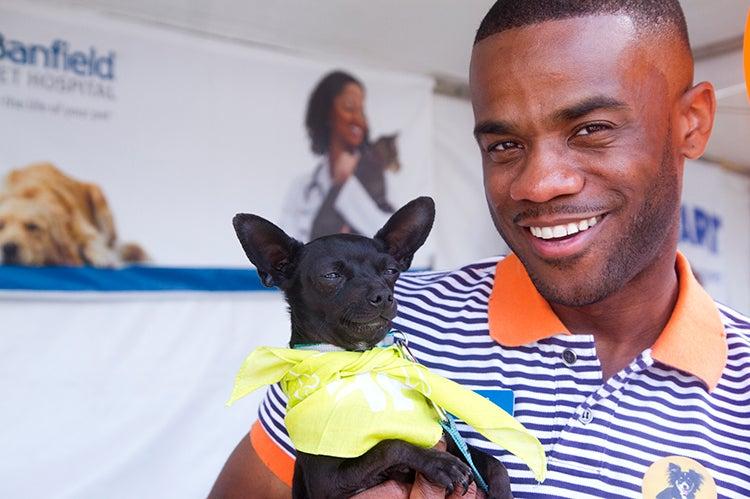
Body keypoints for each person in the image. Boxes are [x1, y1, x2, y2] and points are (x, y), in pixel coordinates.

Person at [210, 1, 750, 497]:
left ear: (692, 122)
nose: (539, 184)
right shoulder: (370, 329)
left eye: (591, 129)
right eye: (504, 145)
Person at [280, 70, 394, 243]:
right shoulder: (301, 187)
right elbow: (287, 251)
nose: (358, 119)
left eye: (362, 111)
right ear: (326, 113)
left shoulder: (379, 177)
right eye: (349, 107)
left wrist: (345, 183)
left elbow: (390, 237)